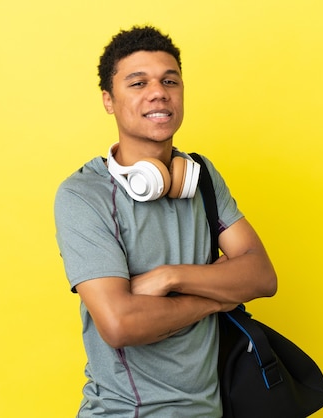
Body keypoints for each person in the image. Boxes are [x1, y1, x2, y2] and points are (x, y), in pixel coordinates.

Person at [54, 25, 277, 417]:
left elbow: (262, 277)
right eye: (137, 83)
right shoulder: (82, 196)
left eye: (169, 80)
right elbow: (121, 324)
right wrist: (214, 299)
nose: (158, 92)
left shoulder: (202, 177)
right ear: (109, 100)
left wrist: (171, 277)